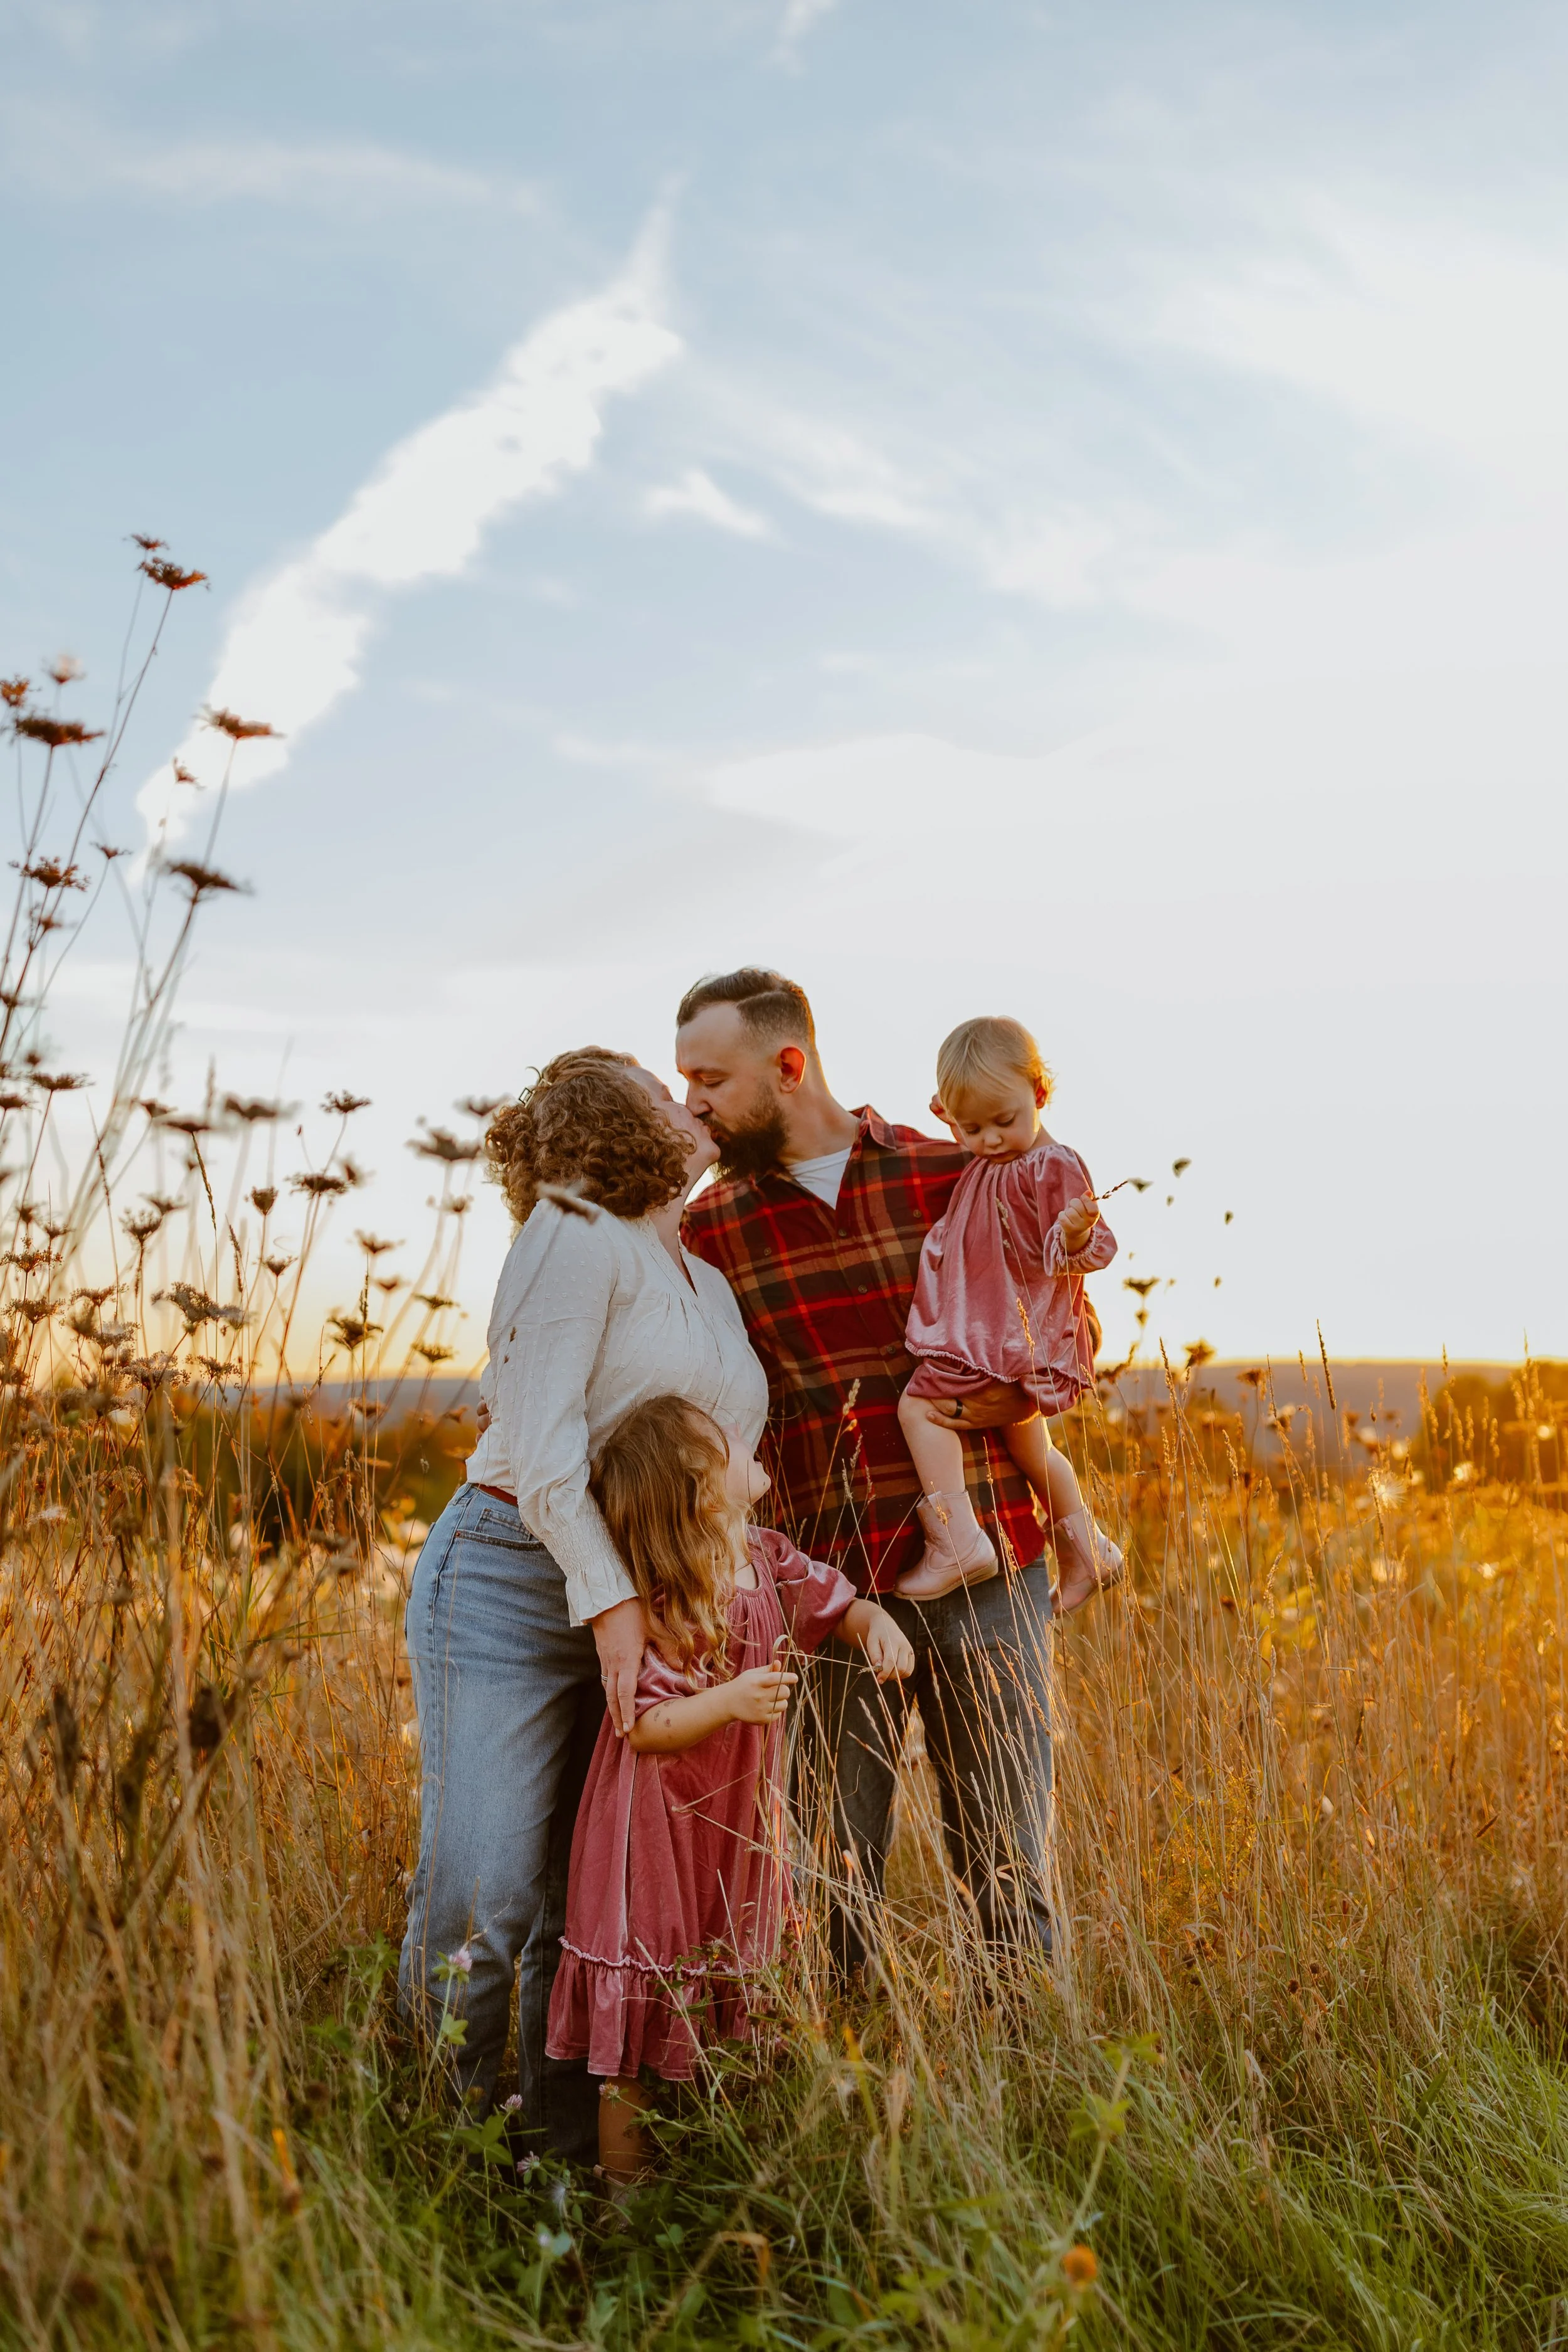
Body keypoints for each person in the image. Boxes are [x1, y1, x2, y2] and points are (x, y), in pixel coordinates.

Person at [398, 1049, 768, 2161]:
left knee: (591, 1903)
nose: (689, 1102)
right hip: (513, 1579)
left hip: (652, 1601)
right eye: (664, 1092)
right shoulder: (573, 1227)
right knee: (486, 1891)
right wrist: (612, 1608)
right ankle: (437, 2154)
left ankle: (554, 2162)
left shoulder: (702, 1279)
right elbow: (548, 1449)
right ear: (618, 1122)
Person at [675, 968, 1059, 1967]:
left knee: (1009, 1852)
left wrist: (982, 1404)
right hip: (830, 1583)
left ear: (789, 1065)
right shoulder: (707, 1232)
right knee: (831, 1861)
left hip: (987, 1562)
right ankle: (841, 2083)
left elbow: (1060, 1334)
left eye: (709, 1078)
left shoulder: (950, 1175)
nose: (693, 1105)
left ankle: (1034, 2082)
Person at [545, 1396, 913, 2190]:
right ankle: (629, 2211)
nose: (746, 1439)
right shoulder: (665, 1590)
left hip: (737, 1826)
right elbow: (643, 1725)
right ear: (700, 1484)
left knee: (737, 1999)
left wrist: (873, 1622)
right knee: (638, 2040)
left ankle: (721, 2186)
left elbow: (834, 1601)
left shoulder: (768, 1555)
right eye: (724, 1440)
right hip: (658, 1830)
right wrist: (730, 1701)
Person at [896, 1014, 1123, 1610]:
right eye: (971, 1128)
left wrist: (1076, 1231)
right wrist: (962, 1113)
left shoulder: (1055, 1166)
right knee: (1032, 1449)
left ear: (1041, 1094)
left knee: (919, 1407)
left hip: (996, 1335)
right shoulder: (994, 1152)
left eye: (1004, 1121)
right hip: (1004, 1338)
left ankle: (959, 1541)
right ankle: (1088, 1547)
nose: (989, 1140)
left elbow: (1085, 1251)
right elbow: (966, 1109)